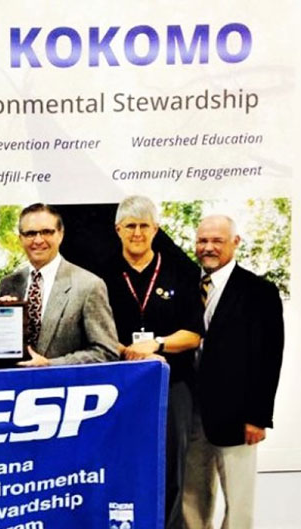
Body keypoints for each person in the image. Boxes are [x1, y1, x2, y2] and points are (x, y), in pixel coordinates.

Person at [102, 196, 204, 529]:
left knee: (170, 466)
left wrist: (157, 344)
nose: (137, 233)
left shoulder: (181, 272)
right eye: (130, 226)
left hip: (172, 385)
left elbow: (193, 334)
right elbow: (95, 330)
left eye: (144, 226)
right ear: (118, 229)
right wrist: (125, 350)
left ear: (156, 229)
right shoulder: (101, 274)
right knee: (121, 461)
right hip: (120, 386)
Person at [182, 215, 284, 529]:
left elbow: (269, 358)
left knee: (239, 502)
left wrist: (259, 417)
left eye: (217, 241)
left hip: (237, 415)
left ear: (235, 242)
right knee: (192, 497)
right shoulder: (186, 286)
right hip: (190, 411)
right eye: (203, 241)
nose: (208, 247)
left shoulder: (259, 292)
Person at [0, 203, 119, 366]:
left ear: (61, 234)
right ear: (21, 238)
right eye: (30, 233)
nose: (38, 240)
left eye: (47, 232)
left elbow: (106, 352)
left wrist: (50, 365)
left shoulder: (89, 285)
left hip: (63, 381)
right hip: (12, 382)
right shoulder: (8, 284)